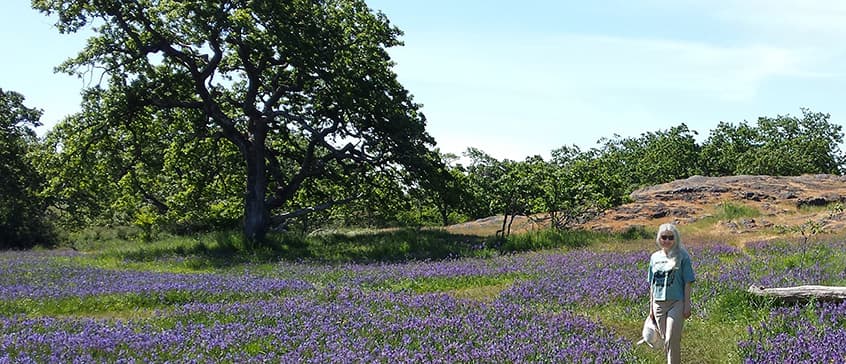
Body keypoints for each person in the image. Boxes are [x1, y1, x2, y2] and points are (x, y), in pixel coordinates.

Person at [648, 223, 695, 364]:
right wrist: (651, 307)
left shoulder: (683, 256)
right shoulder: (654, 257)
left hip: (676, 302)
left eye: (670, 237)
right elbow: (651, 283)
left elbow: (688, 282)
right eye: (664, 237)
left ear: (676, 239)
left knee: (671, 338)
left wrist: (687, 305)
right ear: (659, 238)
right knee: (666, 340)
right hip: (658, 304)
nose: (667, 240)